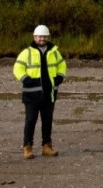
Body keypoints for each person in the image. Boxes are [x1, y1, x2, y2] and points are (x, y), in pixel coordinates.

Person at [13, 25, 67, 159]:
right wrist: (26, 79)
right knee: (30, 120)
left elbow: (62, 65)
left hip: (49, 93)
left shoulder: (54, 52)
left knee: (47, 120)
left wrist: (60, 76)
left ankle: (47, 146)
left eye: (44, 36)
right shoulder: (27, 52)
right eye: (39, 36)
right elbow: (17, 68)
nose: (42, 38)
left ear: (47, 37)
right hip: (31, 94)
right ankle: (27, 147)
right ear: (34, 37)